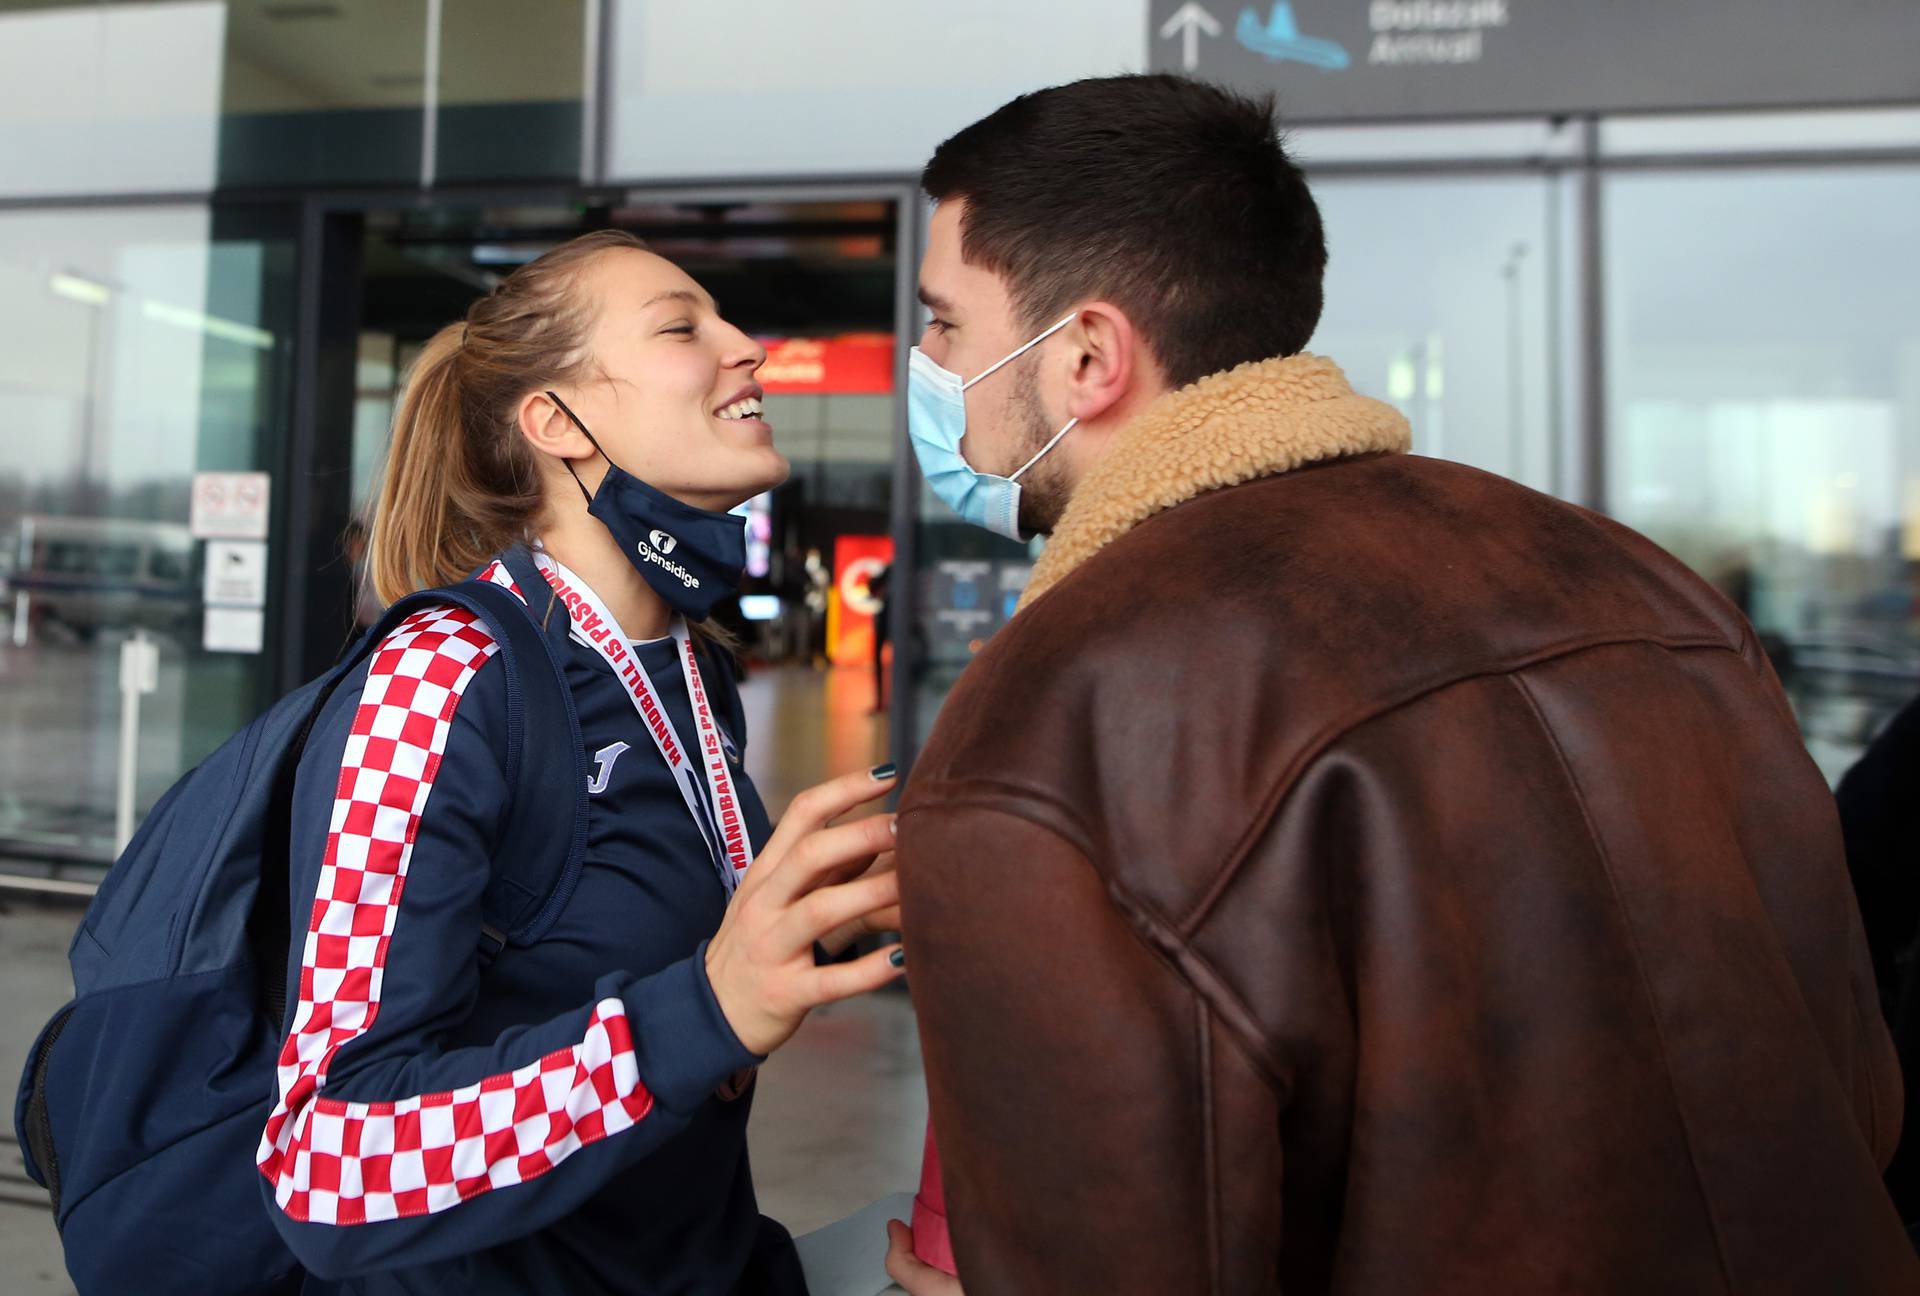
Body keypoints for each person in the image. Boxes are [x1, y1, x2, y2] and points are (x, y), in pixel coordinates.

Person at [887, 74, 1914, 1293]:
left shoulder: (1058, 707)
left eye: (947, 323)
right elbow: (1856, 1082)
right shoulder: (1652, 591)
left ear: (1091, 357)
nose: (927, 363)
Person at [259, 230, 906, 1294]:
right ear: (557, 422)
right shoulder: (444, 678)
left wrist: (832, 909)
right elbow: (329, 1168)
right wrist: (705, 1013)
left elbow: (608, 941)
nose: (745, 347)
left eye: (726, 319)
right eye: (680, 327)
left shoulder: (693, 672)